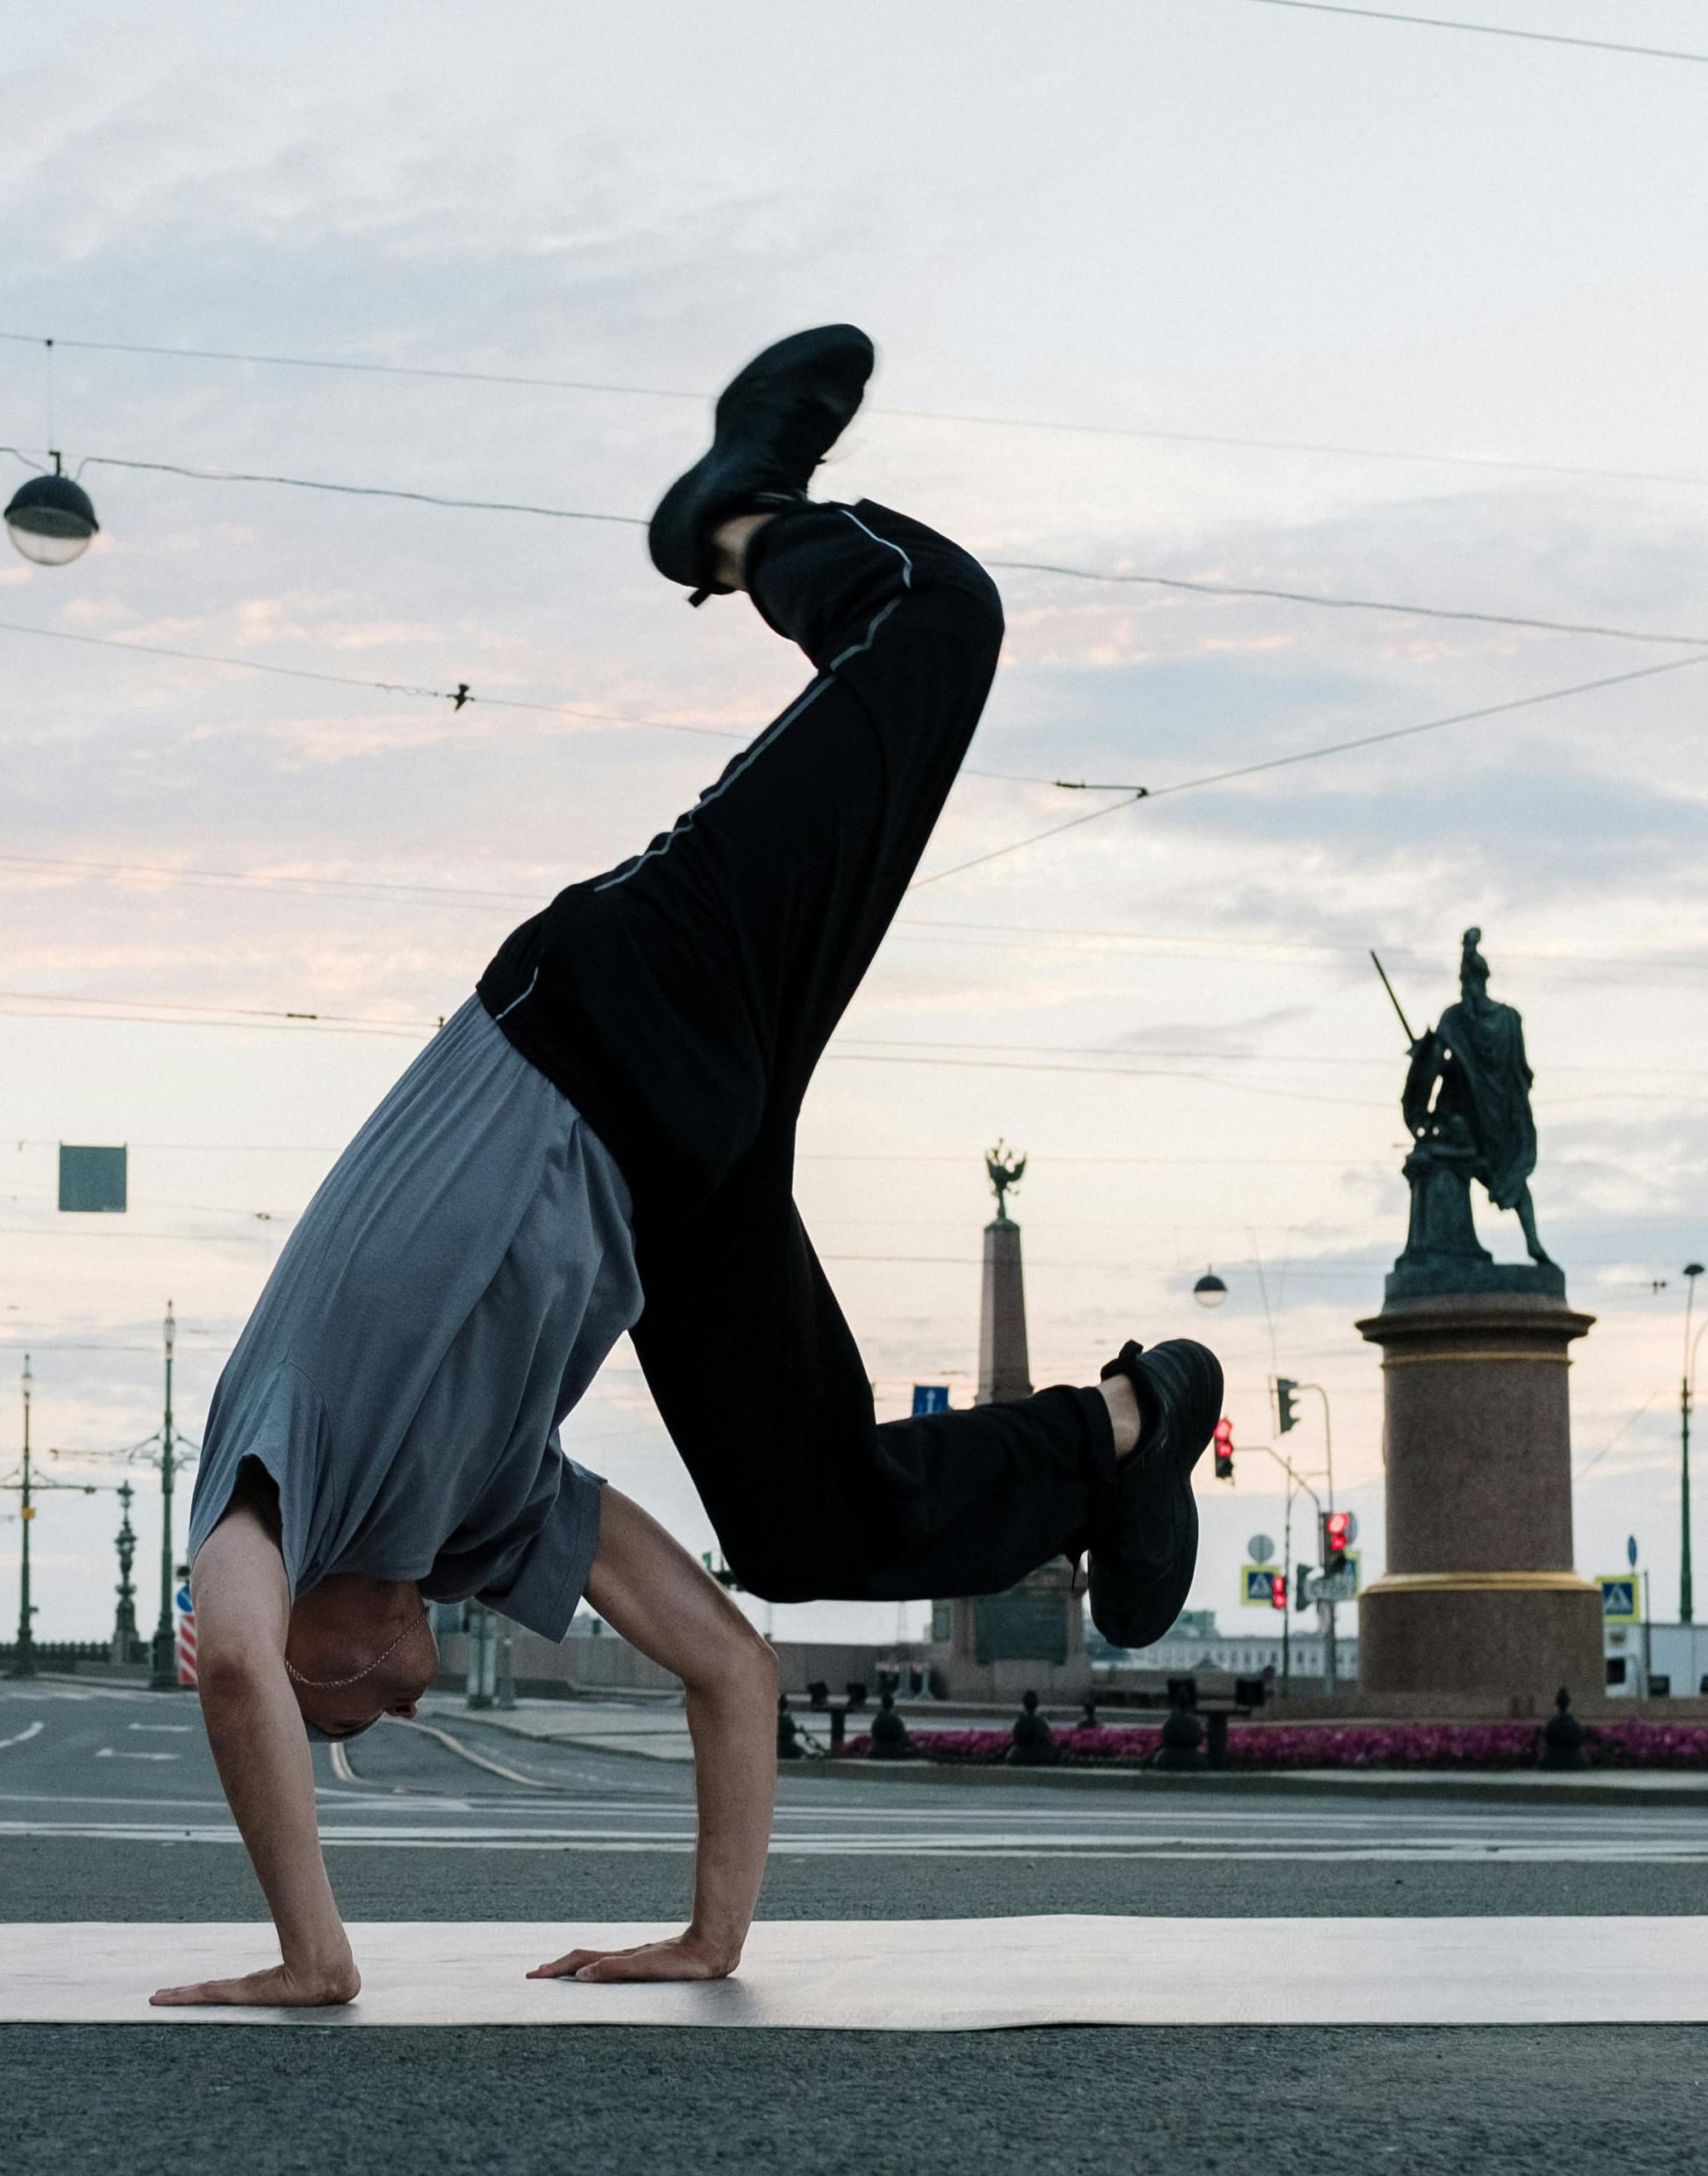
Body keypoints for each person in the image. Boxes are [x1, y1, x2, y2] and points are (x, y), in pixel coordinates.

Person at [153, 326, 1221, 2010]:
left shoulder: (264, 1483)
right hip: (681, 1187)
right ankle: (1128, 1429)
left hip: (616, 1004)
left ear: (296, 1649)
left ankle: (738, 520)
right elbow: (729, 1660)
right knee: (797, 1526)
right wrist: (710, 1932)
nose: (401, 1708)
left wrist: (315, 1950)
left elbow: (226, 1674)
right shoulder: (487, 1523)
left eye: (351, 1712)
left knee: (942, 624)